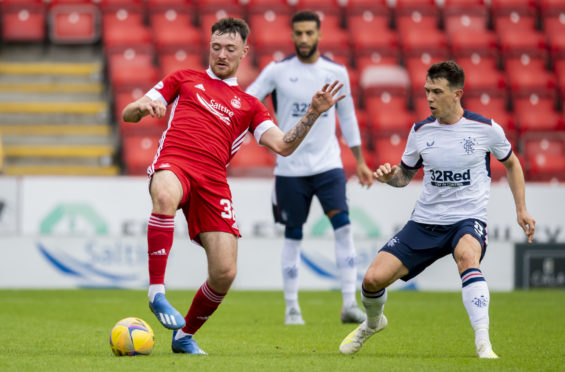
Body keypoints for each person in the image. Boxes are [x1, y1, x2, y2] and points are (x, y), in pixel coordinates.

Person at [122, 17, 345, 355]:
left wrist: (312, 113)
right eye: (216, 47)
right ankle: (156, 292)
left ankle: (184, 336)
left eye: (229, 48)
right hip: (176, 162)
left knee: (225, 272)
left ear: (244, 51)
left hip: (213, 182)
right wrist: (142, 107)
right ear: (208, 47)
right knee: (164, 194)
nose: (221, 54)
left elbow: (283, 145)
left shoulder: (251, 105)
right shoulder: (184, 79)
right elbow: (128, 113)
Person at [339, 61, 536, 358]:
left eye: (437, 91)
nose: (429, 98)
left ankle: (483, 342)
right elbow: (403, 178)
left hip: (467, 219)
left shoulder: (485, 129)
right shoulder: (420, 132)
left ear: (457, 94)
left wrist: (521, 209)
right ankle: (373, 322)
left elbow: (512, 163)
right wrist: (387, 177)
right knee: (371, 280)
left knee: (468, 256)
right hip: (425, 222)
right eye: (426, 91)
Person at [246, 10, 373, 326]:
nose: (303, 39)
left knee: (343, 227)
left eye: (309, 33)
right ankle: (292, 307)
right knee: (293, 235)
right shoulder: (277, 71)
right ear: (292, 35)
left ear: (319, 35)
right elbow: (248, 101)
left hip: (328, 166)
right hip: (290, 168)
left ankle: (348, 303)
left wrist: (359, 161)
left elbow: (348, 118)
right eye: (298, 33)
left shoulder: (335, 71)